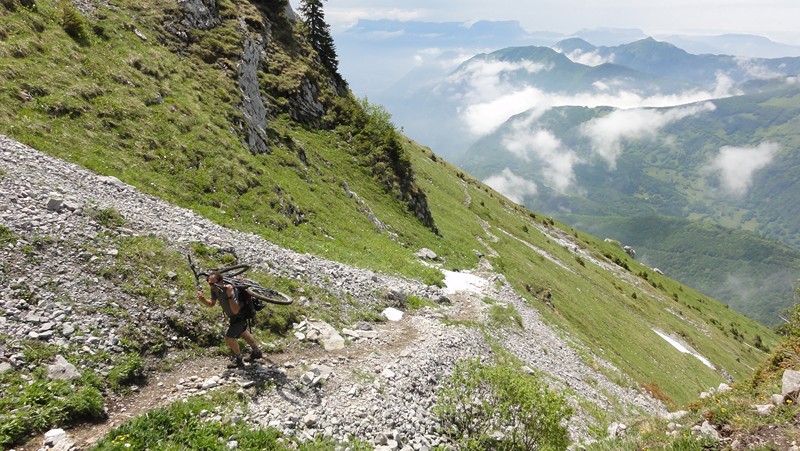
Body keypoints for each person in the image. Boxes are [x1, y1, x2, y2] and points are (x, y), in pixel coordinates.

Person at [197, 271, 263, 368]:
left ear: (220, 281)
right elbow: (212, 303)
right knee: (243, 332)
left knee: (229, 339)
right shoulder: (214, 289)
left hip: (240, 315)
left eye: (213, 283)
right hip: (233, 316)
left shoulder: (230, 290)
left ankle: (239, 360)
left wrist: (229, 295)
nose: (211, 286)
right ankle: (256, 351)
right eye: (209, 283)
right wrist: (202, 299)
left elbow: (236, 310)